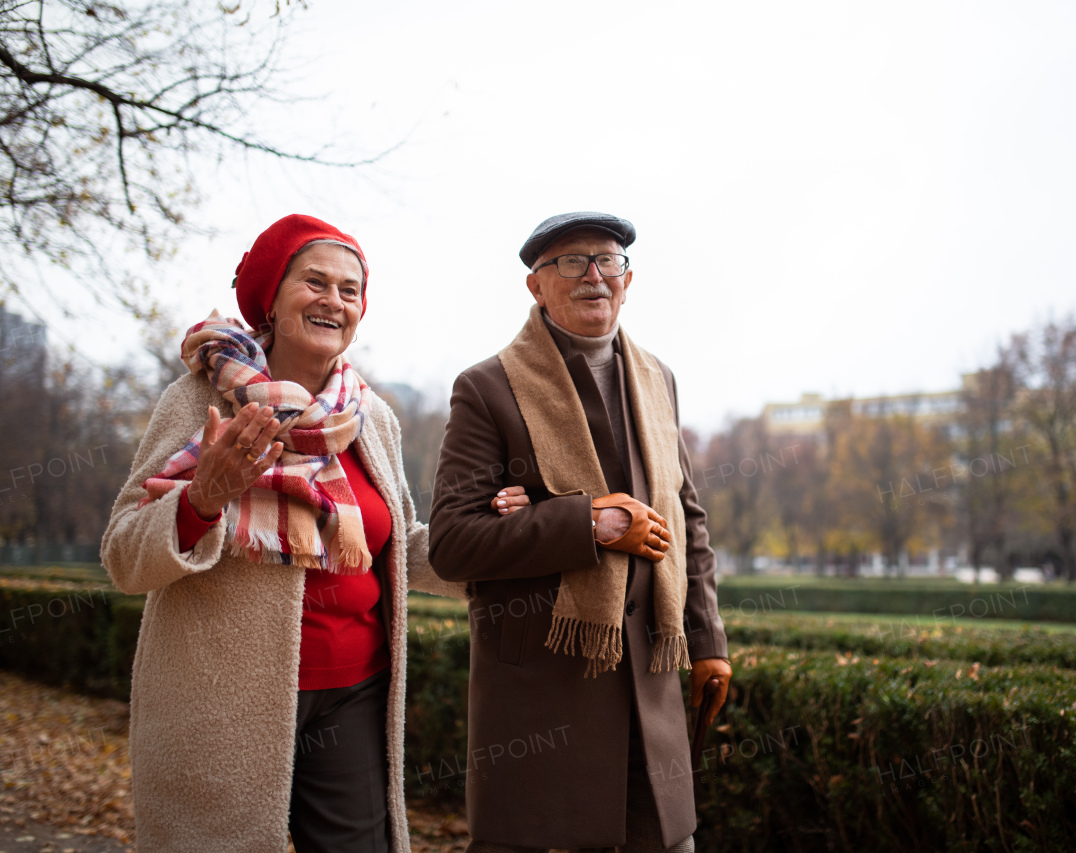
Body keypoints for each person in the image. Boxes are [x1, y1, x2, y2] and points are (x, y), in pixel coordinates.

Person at [100, 214, 466, 853]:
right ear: (271, 295)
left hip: (356, 693)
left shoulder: (369, 416)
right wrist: (204, 497)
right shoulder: (197, 400)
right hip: (224, 703)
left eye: (350, 289)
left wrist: (498, 538)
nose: (335, 300)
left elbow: (400, 547)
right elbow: (125, 558)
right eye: (315, 282)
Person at [428, 211, 733, 852]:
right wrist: (590, 522)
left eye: (608, 261)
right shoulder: (486, 388)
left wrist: (707, 639)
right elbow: (453, 542)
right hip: (540, 691)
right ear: (536, 286)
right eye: (571, 263)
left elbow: (685, 515)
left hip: (650, 683)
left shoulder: (658, 379)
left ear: (628, 278)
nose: (593, 276)